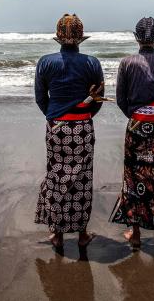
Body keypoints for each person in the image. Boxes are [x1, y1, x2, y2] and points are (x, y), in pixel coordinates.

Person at [34, 13, 105, 249]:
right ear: (80, 39)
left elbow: (40, 98)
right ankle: (82, 234)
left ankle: (57, 234)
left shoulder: (45, 62)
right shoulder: (92, 63)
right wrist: (83, 117)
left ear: (58, 38)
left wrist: (54, 116)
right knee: (82, 179)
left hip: (56, 127)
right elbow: (98, 99)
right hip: (82, 126)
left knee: (56, 176)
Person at [110, 16, 154, 249]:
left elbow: (121, 99)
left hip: (137, 126)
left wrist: (136, 115)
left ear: (136, 37)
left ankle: (136, 233)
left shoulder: (127, 63)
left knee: (133, 176)